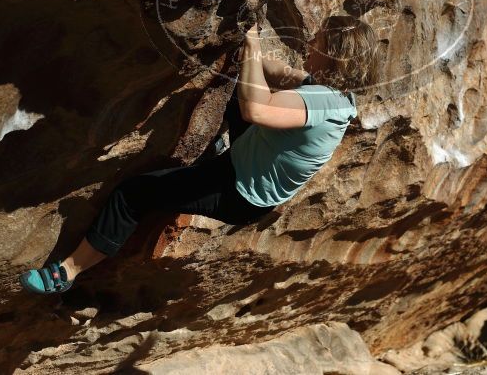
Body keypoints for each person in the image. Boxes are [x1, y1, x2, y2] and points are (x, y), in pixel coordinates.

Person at [19, 15, 380, 294]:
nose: (310, 42)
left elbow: (257, 110)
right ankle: (220, 150)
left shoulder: (319, 104)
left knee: (133, 194)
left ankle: (67, 271)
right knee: (241, 91)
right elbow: (284, 74)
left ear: (333, 53)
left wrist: (252, 47)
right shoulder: (338, 94)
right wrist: (246, 46)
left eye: (318, 40)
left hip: (239, 191)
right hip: (252, 160)